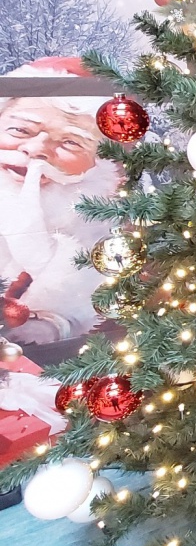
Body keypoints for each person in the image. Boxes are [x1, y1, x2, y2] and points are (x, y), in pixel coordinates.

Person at [0, 56, 121, 345]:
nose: (37, 150)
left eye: (70, 142)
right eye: (20, 130)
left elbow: (90, 304)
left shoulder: (98, 231)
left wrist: (54, 324)